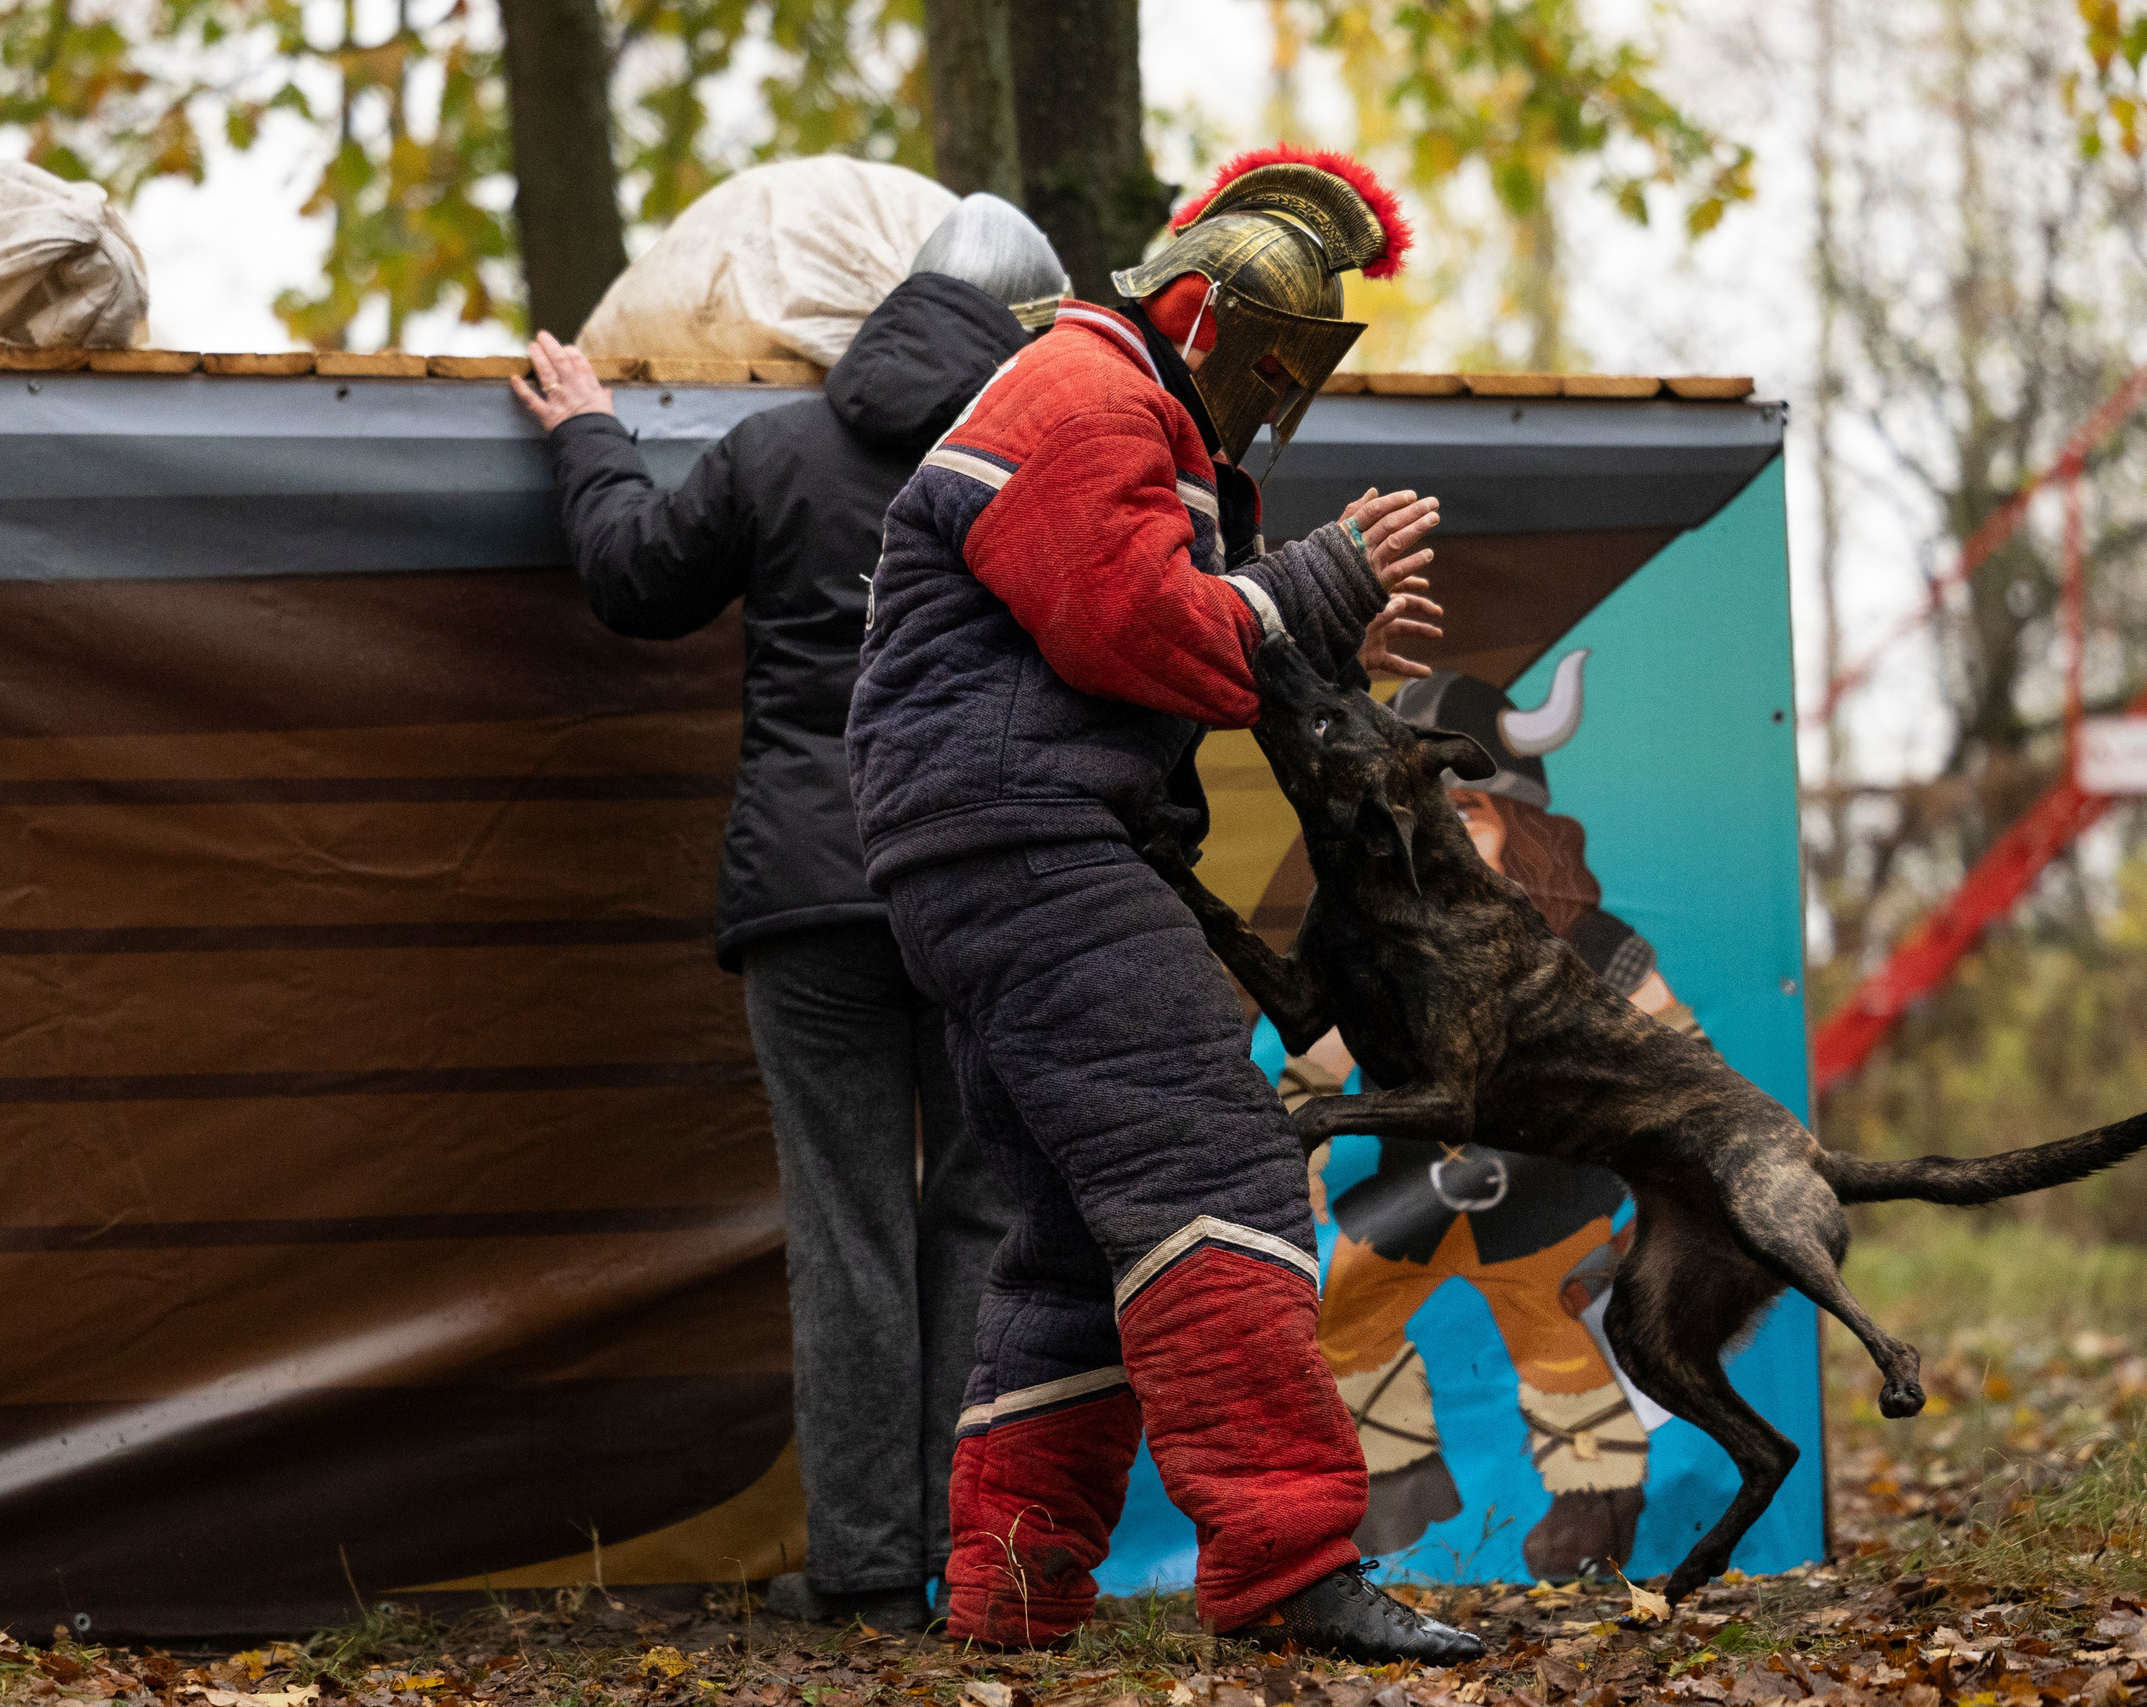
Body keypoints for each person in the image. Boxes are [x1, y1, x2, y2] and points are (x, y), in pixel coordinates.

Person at [843, 145, 1478, 1662]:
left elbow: (1197, 634)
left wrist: (1336, 625)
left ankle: (1007, 1598)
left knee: (1072, 1238)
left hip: (992, 849)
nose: (1280, 391)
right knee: (1218, 1163)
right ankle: (1289, 1566)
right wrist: (1321, 575)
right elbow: (1133, 623)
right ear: (1204, 320)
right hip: (1028, 847)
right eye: (1273, 356)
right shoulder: (1084, 393)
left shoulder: (1117, 405)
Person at [510, 193, 1072, 1631]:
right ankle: (966, 1557)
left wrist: (587, 431)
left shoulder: (778, 448)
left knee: (847, 1230)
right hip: (978, 886)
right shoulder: (1038, 467)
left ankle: (868, 1563)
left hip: (812, 892)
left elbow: (635, 579)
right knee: (981, 1215)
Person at [1285, 656, 1714, 1584]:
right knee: (1333, 1323)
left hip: (1547, 1211)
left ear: (1519, 823)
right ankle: (1398, 1482)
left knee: (1563, 1355)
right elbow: (1312, 1065)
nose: (1434, 832)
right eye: (1415, 810)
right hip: (1406, 1200)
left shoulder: (1593, 947)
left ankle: (1597, 1503)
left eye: (1464, 811)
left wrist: (1668, 1191)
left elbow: (1683, 1065)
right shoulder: (1374, 935)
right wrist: (1296, 1159)